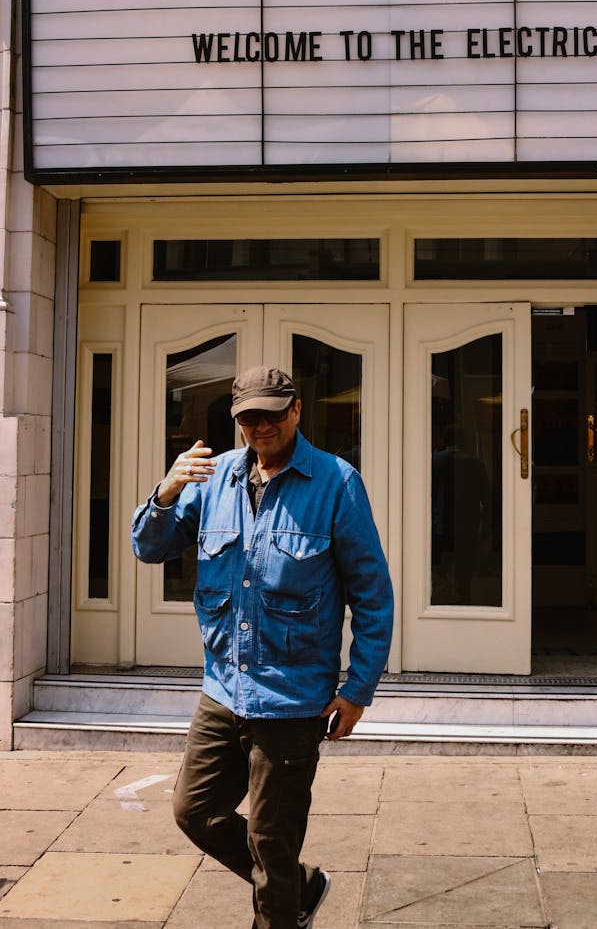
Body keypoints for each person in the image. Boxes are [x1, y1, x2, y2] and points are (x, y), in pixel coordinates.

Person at [131, 366, 394, 929]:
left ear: (296, 410)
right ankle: (298, 885)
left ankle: (281, 903)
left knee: (271, 840)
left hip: (294, 698)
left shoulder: (336, 483)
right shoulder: (214, 478)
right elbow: (148, 548)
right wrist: (167, 490)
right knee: (193, 811)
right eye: (250, 416)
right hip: (223, 689)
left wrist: (358, 688)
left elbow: (372, 592)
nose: (262, 425)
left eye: (274, 413)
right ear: (236, 419)